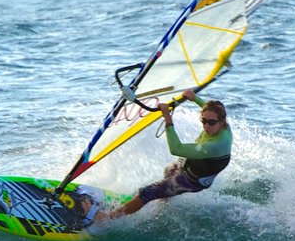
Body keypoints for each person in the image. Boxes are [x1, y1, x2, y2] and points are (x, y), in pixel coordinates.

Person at [82, 89, 232, 228]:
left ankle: (105, 218)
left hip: (193, 180)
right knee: (169, 170)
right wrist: (194, 98)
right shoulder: (222, 126)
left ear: (222, 121)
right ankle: (163, 203)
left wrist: (168, 118)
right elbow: (209, 110)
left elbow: (176, 149)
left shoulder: (215, 145)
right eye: (203, 121)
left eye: (211, 122)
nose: (206, 126)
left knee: (146, 192)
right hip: (193, 167)